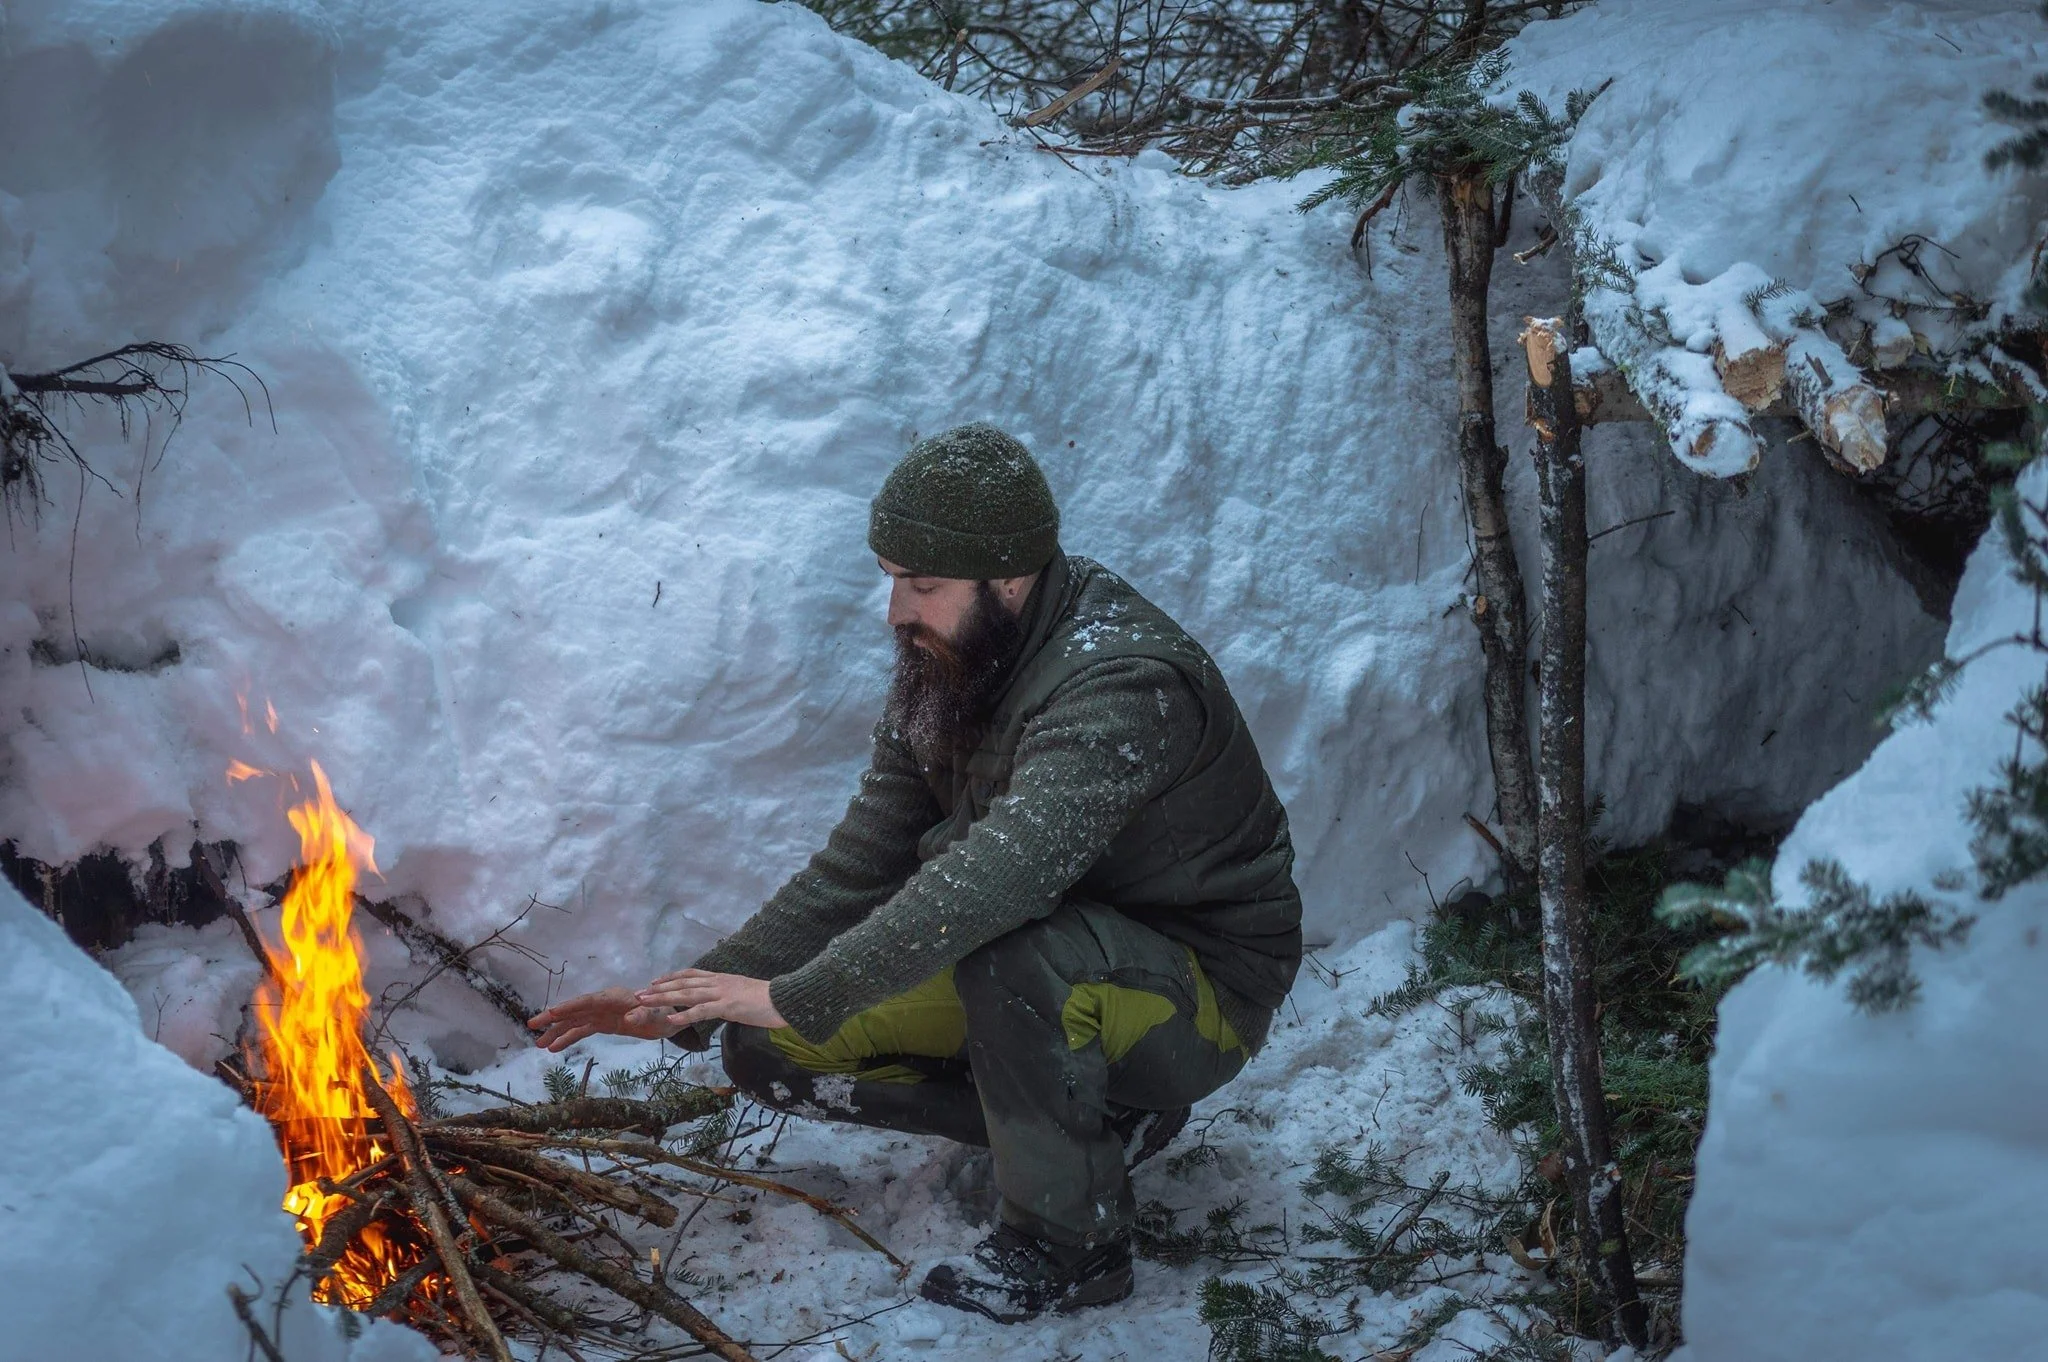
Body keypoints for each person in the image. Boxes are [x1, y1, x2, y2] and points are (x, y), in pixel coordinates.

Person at [529, 422, 1302, 1322]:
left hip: (1194, 996)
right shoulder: (958, 664)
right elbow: (860, 864)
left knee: (1012, 957)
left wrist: (803, 989)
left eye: (924, 585)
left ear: (1009, 578)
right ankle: (1096, 1126)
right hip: (1049, 962)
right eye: (894, 579)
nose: (897, 610)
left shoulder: (1123, 685)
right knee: (770, 1049)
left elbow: (997, 881)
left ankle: (1071, 1245)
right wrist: (688, 1004)